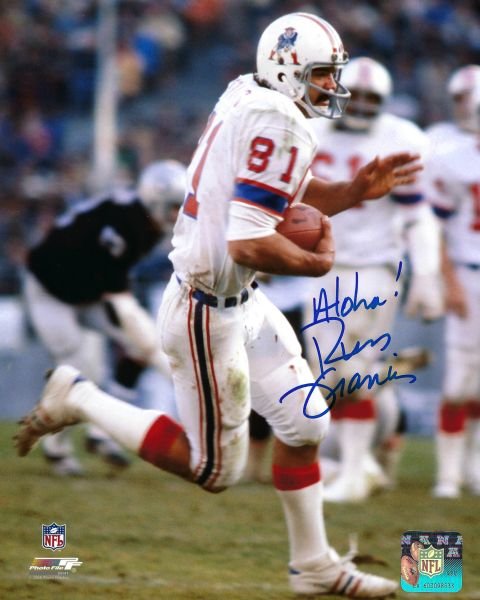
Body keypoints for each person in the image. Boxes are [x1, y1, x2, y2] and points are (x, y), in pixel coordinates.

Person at [15, 13, 421, 597]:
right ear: (286, 70)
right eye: (321, 74)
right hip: (207, 311)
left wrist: (353, 192)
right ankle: (79, 397)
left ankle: (314, 566)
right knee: (214, 471)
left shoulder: (247, 93)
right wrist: (315, 264)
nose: (332, 87)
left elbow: (280, 194)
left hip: (240, 300)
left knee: (306, 422)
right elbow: (248, 242)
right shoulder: (279, 120)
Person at [303, 56, 443, 502]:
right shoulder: (311, 128)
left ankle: (353, 472)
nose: (362, 105)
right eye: (356, 95)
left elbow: (418, 214)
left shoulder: (402, 138)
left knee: (349, 370)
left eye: (372, 98)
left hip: (374, 266)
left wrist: (427, 274)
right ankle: (364, 461)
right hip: (323, 265)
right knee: (325, 374)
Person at [22, 159, 186, 475]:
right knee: (78, 366)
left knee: (140, 348)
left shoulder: (140, 219)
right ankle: (56, 448)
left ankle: (101, 434)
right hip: (50, 290)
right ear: (155, 199)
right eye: (173, 206)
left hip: (88, 291)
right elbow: (116, 287)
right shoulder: (126, 222)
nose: (177, 214)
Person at [426, 69, 480, 498]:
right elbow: (435, 227)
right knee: (459, 380)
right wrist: (450, 281)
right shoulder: (451, 155)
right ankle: (448, 474)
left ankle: (473, 468)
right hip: (468, 270)